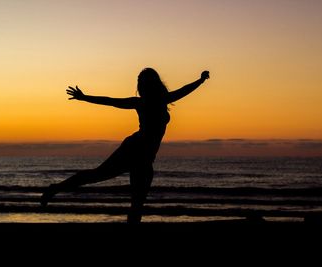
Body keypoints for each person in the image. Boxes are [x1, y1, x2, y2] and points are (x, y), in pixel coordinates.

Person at [40, 68, 210, 224]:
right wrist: (85, 98)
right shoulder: (145, 102)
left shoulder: (154, 100)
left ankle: (56, 188)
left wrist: (200, 81)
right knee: (100, 176)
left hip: (145, 156)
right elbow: (111, 101)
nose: (140, 85)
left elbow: (185, 90)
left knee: (136, 201)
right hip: (134, 149)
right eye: (140, 82)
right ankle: (55, 188)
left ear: (150, 84)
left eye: (142, 81)